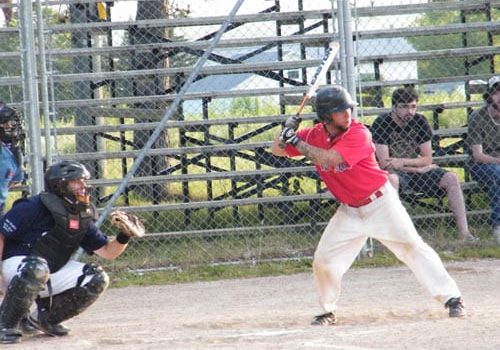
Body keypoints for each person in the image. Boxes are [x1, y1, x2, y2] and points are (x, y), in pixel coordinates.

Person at [270, 85, 466, 326]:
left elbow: (329, 159)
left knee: (413, 247)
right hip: (349, 211)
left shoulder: (358, 133)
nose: (347, 114)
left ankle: (452, 298)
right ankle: (327, 310)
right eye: (340, 111)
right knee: (324, 259)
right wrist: (285, 131)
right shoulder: (313, 135)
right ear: (325, 117)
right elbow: (276, 150)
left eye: (348, 109)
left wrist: (296, 143)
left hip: (380, 203)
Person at [0, 160, 141, 344]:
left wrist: (124, 236)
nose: (83, 186)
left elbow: (108, 252)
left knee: (97, 278)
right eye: (76, 181)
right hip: (17, 266)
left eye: (84, 181)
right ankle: (5, 324)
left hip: (46, 269)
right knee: (37, 267)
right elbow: (1, 234)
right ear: (60, 185)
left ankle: (45, 319)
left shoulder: (80, 214)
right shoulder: (32, 206)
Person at [371, 86, 476, 242]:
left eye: (413, 106)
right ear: (394, 107)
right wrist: (417, 168)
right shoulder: (382, 123)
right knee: (391, 180)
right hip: (397, 174)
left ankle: (464, 233)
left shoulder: (420, 121)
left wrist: (404, 162)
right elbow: (386, 164)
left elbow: (427, 159)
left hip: (414, 170)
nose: (410, 112)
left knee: (451, 178)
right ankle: (396, 236)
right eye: (404, 107)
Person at [467, 76, 500, 242]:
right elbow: (478, 155)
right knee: (496, 173)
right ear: (489, 95)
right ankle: (498, 226)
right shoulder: (478, 117)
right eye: (497, 92)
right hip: (481, 165)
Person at [0, 103, 25, 216]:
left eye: (12, 123)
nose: (9, 126)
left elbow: (15, 180)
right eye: (5, 123)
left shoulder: (14, 151)